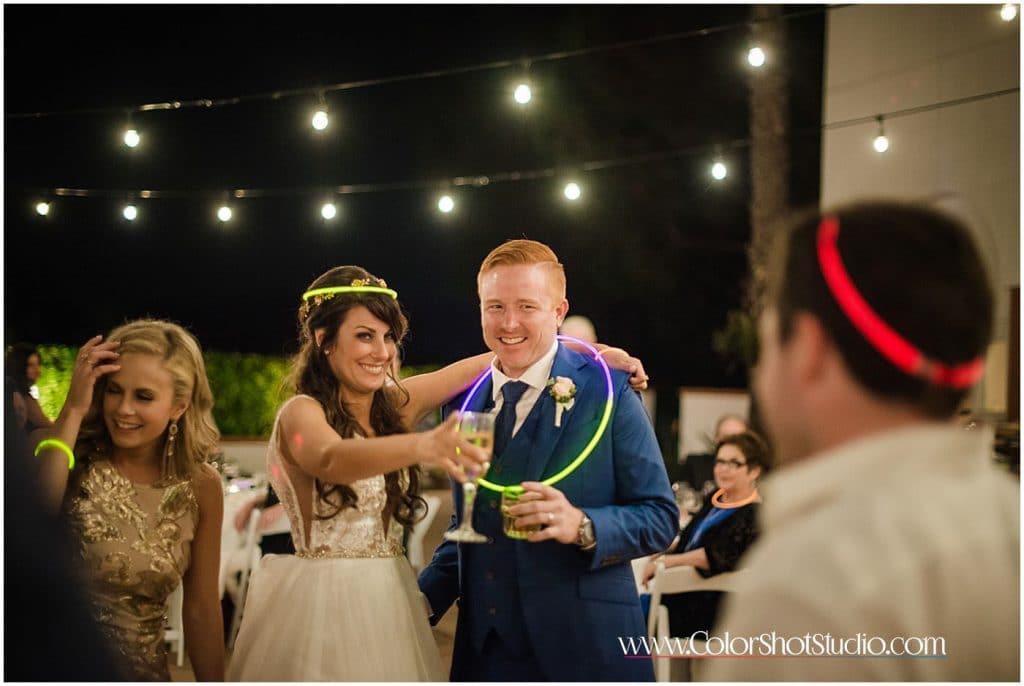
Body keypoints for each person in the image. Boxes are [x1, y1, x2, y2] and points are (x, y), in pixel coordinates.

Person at [228, 265, 649, 681]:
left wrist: (579, 351)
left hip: (390, 598)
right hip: (324, 599)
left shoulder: (392, 407)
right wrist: (425, 445)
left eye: (388, 337)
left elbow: (494, 358)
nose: (382, 351)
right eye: (364, 336)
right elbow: (332, 459)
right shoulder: (301, 411)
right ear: (323, 340)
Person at [706, 201, 1019, 680]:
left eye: (766, 346)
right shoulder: (1007, 518)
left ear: (810, 349)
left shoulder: (811, 581)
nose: (763, 376)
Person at [419, 239, 678, 681]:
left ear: (558, 312)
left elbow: (660, 517)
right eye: (495, 306)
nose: (509, 323)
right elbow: (470, 529)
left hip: (587, 649)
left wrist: (582, 525)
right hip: (486, 654)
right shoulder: (461, 404)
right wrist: (419, 601)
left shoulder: (609, 390)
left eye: (527, 306)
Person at [34, 320, 225, 681]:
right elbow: (31, 523)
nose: (123, 409)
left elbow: (201, 609)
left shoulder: (202, 487)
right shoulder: (63, 455)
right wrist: (73, 409)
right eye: (114, 390)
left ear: (179, 407)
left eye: (144, 396)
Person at [640, 430, 769, 636]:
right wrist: (661, 551)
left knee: (628, 613)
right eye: (720, 462)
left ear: (754, 471)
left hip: (707, 606)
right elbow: (691, 538)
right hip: (682, 593)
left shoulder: (753, 513)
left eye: (733, 463)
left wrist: (665, 563)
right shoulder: (715, 498)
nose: (723, 469)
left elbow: (712, 556)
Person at [678, 413, 748, 496]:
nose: (732, 443)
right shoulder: (696, 464)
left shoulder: (753, 468)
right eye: (726, 437)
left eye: (738, 438)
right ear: (716, 438)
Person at [6, 342, 54, 434]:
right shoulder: (24, 398)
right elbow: (48, 425)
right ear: (19, 366)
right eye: (31, 365)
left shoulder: (15, 393)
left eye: (38, 365)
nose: (38, 371)